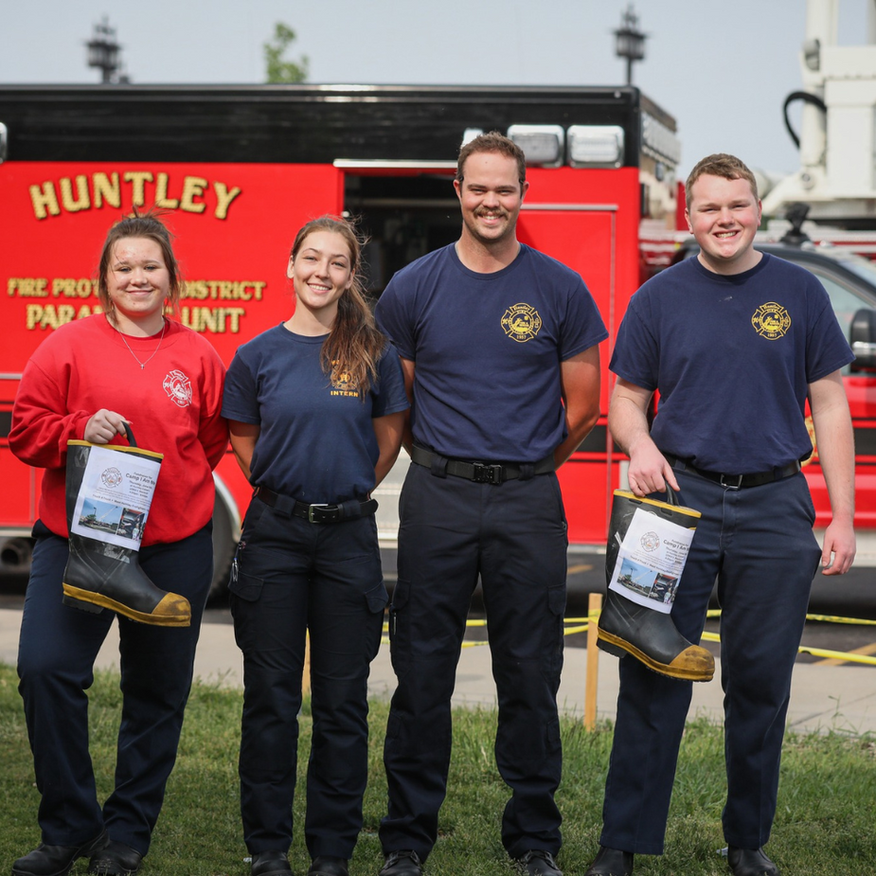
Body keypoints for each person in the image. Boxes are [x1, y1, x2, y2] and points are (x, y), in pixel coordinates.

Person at [585, 153, 856, 876]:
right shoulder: (659, 297)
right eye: (709, 207)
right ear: (689, 215)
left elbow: (829, 403)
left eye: (736, 204)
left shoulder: (799, 291)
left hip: (776, 503)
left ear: (756, 208)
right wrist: (638, 444)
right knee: (651, 673)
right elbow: (626, 399)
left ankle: (747, 842)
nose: (724, 219)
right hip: (674, 503)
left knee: (762, 683)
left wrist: (842, 515)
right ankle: (623, 842)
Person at [374, 131, 608, 876]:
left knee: (533, 673)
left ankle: (535, 838)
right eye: (478, 188)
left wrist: (528, 468)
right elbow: (397, 403)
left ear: (523, 195)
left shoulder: (560, 288)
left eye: (504, 189)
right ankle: (407, 838)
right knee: (421, 672)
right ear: (458, 192)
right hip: (436, 495)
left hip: (528, 503)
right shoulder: (413, 287)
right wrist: (442, 466)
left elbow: (583, 405)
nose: (491, 201)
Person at [9, 210, 228, 876]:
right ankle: (69, 826)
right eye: (124, 266)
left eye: (150, 265)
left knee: (156, 693)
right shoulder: (66, 346)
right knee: (46, 671)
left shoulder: (198, 354)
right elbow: (24, 432)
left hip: (173, 549)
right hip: (76, 544)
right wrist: (78, 427)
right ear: (104, 280)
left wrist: (173, 499)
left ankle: (127, 834)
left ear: (171, 277)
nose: (138, 276)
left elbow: (213, 442)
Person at [222, 216, 409, 876]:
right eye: (310, 258)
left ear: (348, 275)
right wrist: (287, 489)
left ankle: (331, 852)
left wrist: (343, 489)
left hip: (347, 541)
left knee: (342, 704)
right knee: (271, 699)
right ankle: (268, 849)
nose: (321, 272)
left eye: (336, 262)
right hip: (274, 538)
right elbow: (244, 437)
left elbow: (387, 439)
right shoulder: (256, 356)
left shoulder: (372, 353)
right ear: (289, 266)